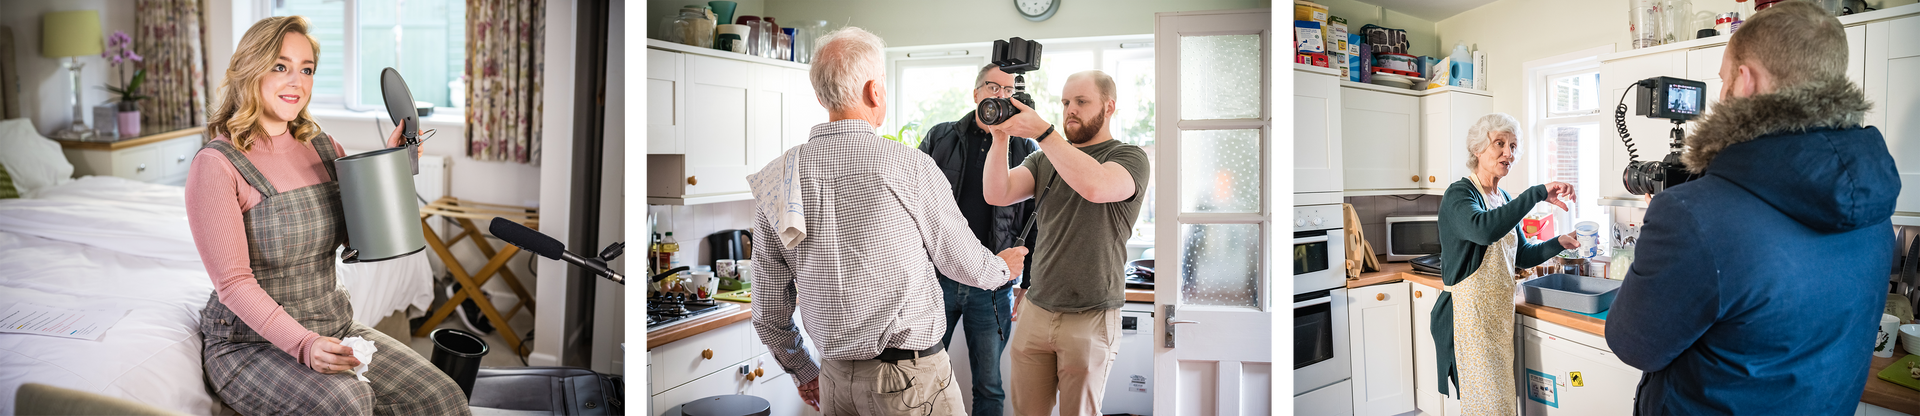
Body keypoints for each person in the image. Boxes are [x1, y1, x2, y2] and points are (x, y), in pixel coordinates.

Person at [1605, 1, 1900, 414]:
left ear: (1744, 82)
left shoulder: (1693, 216)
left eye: (1723, 77)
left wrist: (1664, 231)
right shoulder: (1874, 208)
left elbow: (1631, 342)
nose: (1721, 91)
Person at [747, 25, 1030, 416]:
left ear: (820, 94)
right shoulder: (908, 165)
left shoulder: (776, 178)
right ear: (874, 91)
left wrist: (803, 370)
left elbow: (767, 312)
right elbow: (960, 260)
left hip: (833, 381)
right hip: (908, 384)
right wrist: (1004, 268)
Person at [184, 16, 458, 415]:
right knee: (346, 402)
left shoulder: (325, 146)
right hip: (249, 342)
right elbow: (233, 284)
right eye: (281, 66)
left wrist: (394, 168)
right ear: (249, 69)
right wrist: (303, 344)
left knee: (441, 396)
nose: (297, 81)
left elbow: (362, 240)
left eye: (306, 69)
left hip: (332, 323)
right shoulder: (216, 164)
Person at [980, 70, 1151, 415]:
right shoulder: (1045, 159)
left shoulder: (1129, 157)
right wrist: (1000, 138)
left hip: (1091, 315)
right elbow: (997, 193)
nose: (1070, 110)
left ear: (1109, 107)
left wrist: (1043, 132)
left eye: (1081, 102)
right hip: (1036, 311)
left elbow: (1096, 186)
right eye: (1065, 102)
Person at [1432, 113, 1578, 416]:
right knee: (1490, 406)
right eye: (1499, 143)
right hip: (1468, 319)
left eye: (1512, 146)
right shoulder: (1460, 194)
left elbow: (1521, 254)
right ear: (1477, 149)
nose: (1508, 153)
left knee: (1498, 403)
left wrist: (1559, 242)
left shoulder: (1502, 197)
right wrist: (1537, 193)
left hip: (1497, 315)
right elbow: (1483, 230)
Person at [915, 63, 1039, 416]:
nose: (1001, 96)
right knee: (922, 376)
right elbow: (912, 205)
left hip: (994, 285)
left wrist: (1026, 283)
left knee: (989, 385)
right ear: (976, 94)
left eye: (1009, 90)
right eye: (993, 87)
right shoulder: (941, 137)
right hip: (937, 281)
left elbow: (1035, 220)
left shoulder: (1025, 147)